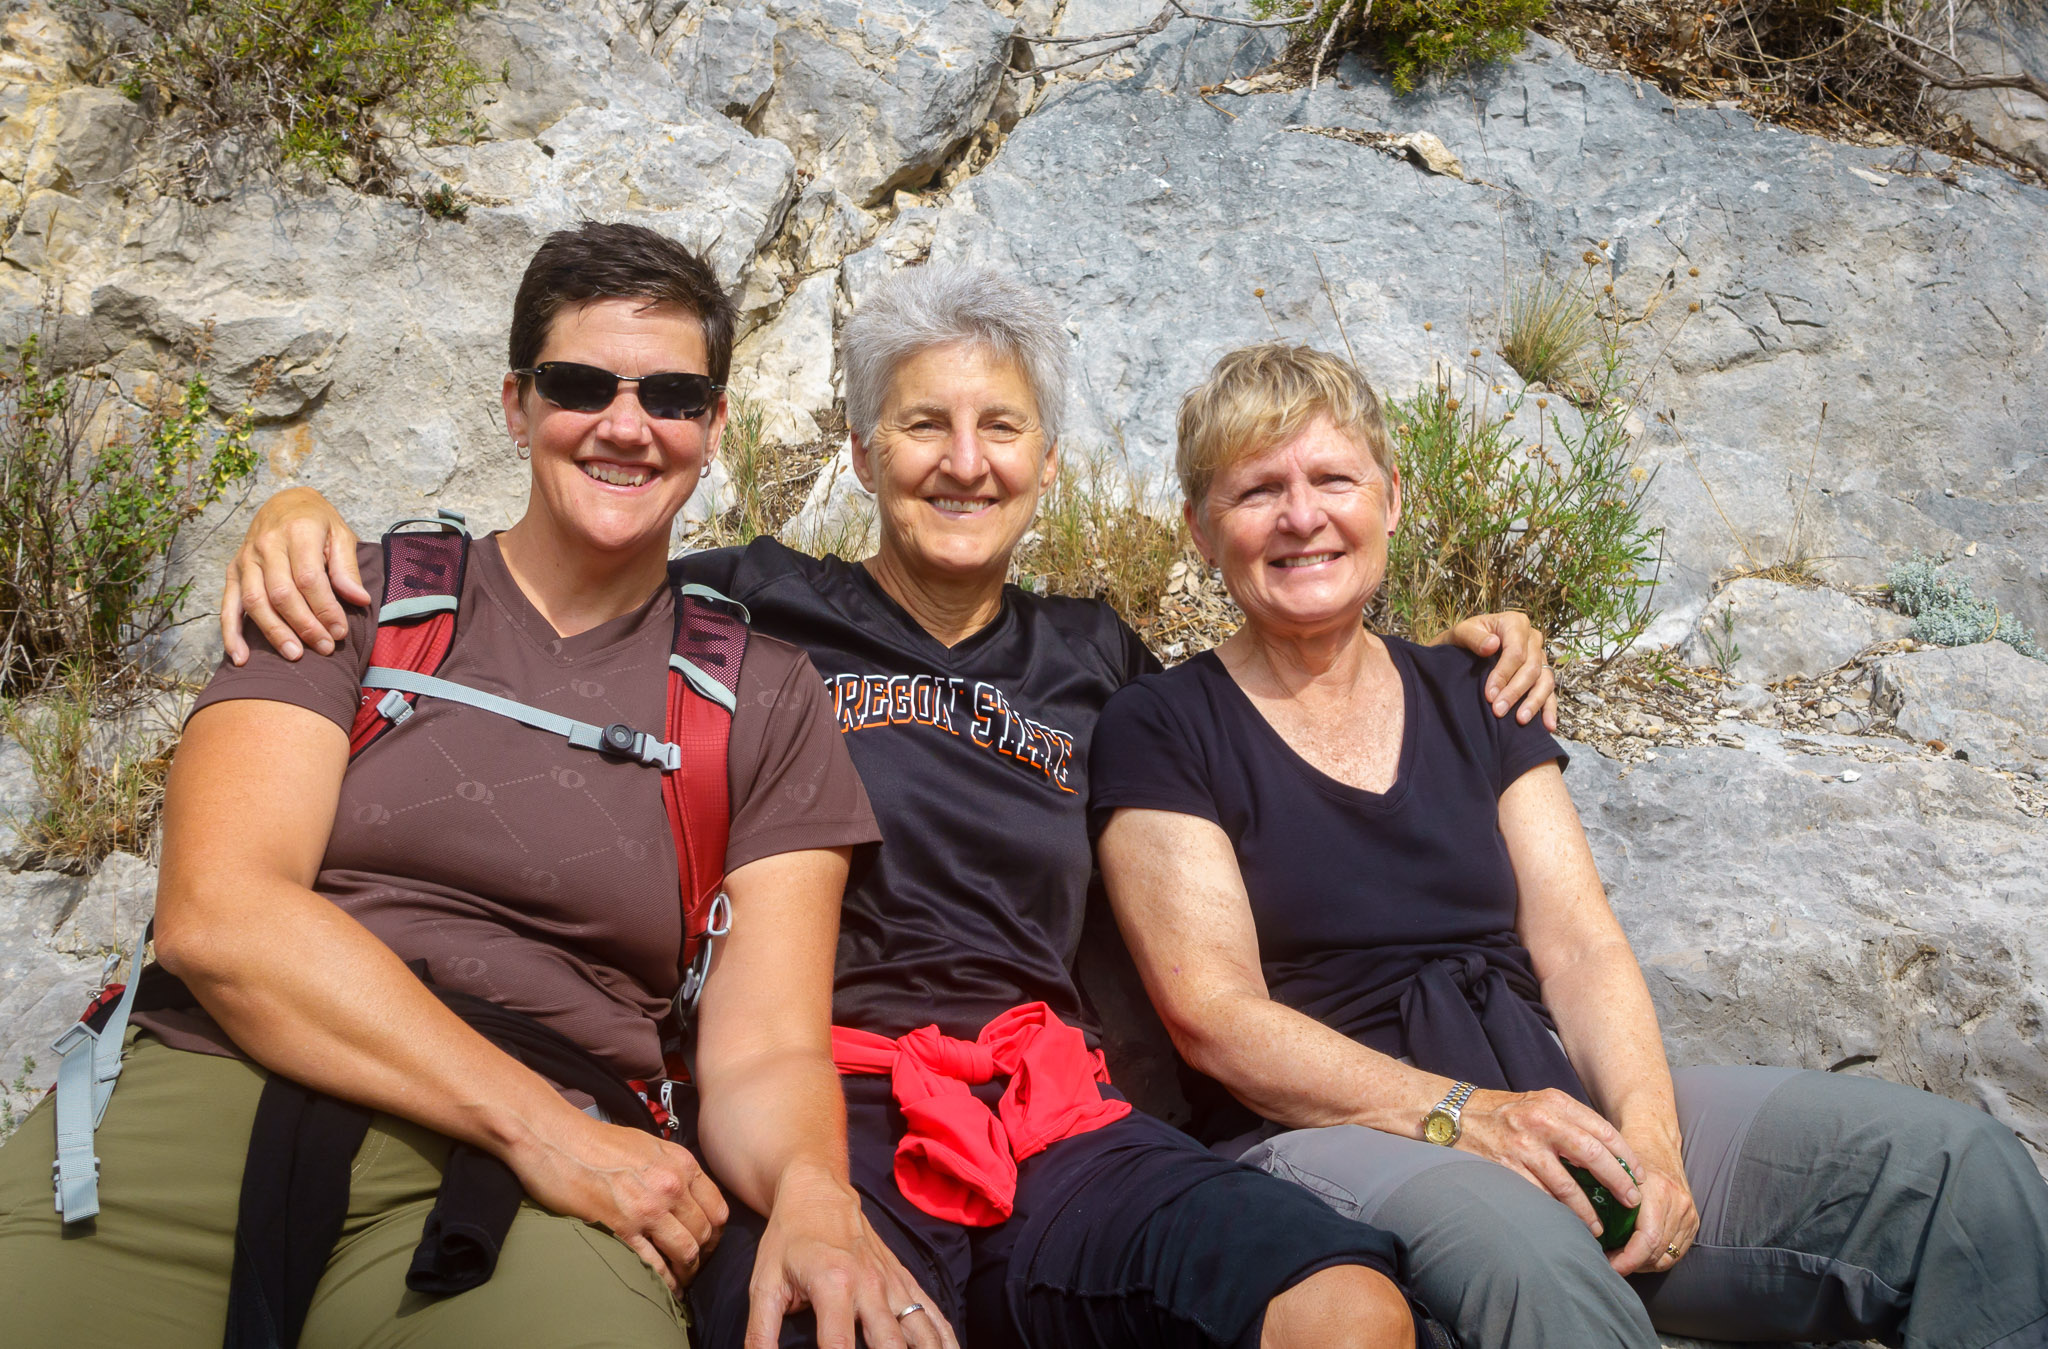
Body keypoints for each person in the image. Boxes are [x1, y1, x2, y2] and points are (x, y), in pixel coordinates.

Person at [209, 264, 1566, 1349]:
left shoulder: (1101, 659)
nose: (962, 462)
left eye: (1001, 429)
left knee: (1340, 1307)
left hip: (1054, 1111)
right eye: (923, 424)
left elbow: (1267, 716)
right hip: (809, 1102)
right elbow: (562, 572)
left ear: (1047, 465)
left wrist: (1452, 653)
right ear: (862, 454)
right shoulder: (746, 606)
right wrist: (302, 507)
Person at [0, 221, 948, 1349]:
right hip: (221, 1088)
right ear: (514, 405)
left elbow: (765, 1047)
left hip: (533, 1195)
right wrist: (544, 1128)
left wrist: (812, 1192)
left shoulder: (769, 699)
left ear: (715, 426)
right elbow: (221, 916)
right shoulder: (340, 600)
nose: (626, 425)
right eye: (579, 384)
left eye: (674, 396)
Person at [1087, 341, 2048, 1349]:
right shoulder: (1161, 726)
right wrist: (1470, 1113)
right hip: (1327, 1132)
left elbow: (1580, 942)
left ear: (1392, 500)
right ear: (1199, 528)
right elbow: (1216, 1017)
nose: (1300, 515)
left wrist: (1649, 1139)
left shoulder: (1476, 691)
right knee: (1529, 1259)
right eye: (1255, 491)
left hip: (1538, 1088)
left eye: (1333, 478)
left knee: (1953, 1174)